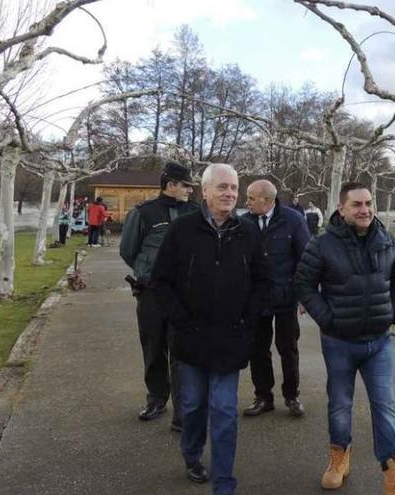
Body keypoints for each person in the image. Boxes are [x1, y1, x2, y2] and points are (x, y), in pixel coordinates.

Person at [294, 182, 395, 495]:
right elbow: (303, 285)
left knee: (385, 405)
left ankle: (394, 474)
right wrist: (329, 319)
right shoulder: (322, 244)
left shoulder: (386, 238)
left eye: (369, 203)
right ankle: (339, 458)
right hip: (339, 342)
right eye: (356, 204)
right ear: (341, 209)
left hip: (379, 341)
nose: (365, 209)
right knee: (341, 405)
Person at [149, 163, 267, 495]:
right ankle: (191, 455)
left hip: (231, 341)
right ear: (205, 192)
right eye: (222, 187)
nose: (229, 193)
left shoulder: (248, 232)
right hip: (191, 341)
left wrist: (248, 321)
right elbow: (160, 282)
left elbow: (262, 282)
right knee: (193, 406)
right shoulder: (182, 230)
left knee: (226, 410)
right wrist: (181, 321)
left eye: (233, 187)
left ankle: (224, 481)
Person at [120, 161, 198, 429]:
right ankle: (156, 399)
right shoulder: (143, 213)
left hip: (184, 295)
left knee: (181, 351)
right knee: (153, 347)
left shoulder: (196, 212)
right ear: (171, 185)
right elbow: (128, 250)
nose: (190, 190)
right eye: (186, 185)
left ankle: (183, 409)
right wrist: (149, 272)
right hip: (152, 293)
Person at [241, 180, 310, 418]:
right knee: (257, 350)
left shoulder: (293, 220)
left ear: (266, 200)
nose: (246, 202)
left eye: (250, 198)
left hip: (285, 298)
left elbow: (305, 258)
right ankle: (263, 397)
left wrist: (304, 295)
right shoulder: (244, 222)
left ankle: (292, 396)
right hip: (256, 300)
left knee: (288, 348)